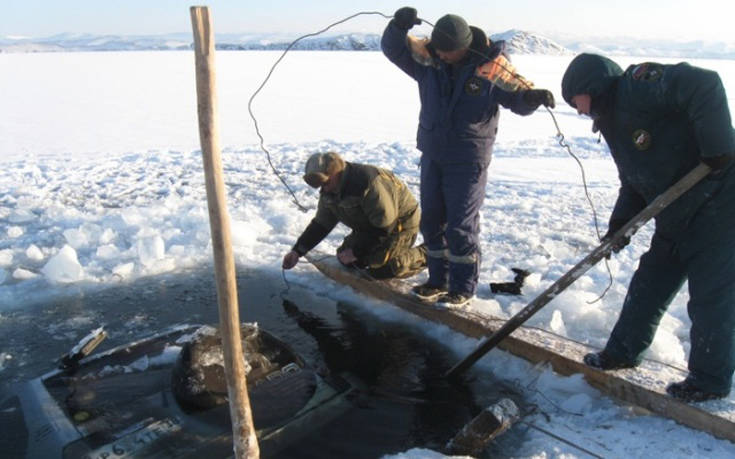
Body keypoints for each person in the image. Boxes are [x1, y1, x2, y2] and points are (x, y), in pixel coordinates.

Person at [561, 53, 735, 402]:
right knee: (649, 283)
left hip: (720, 203)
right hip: (676, 210)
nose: (578, 110)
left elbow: (705, 83)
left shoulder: (636, 88)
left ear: (591, 87)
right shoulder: (611, 121)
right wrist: (620, 226)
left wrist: (718, 146)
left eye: (576, 100)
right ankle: (622, 352)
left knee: (711, 297)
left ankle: (709, 380)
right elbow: (635, 180)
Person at [381, 7, 555, 307]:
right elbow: (394, 49)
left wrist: (532, 98)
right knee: (432, 221)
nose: (444, 56)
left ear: (463, 46)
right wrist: (397, 26)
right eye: (441, 51)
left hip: (468, 157)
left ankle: (463, 287)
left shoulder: (492, 66)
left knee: (460, 224)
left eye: (449, 52)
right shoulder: (428, 59)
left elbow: (517, 97)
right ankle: (438, 280)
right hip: (433, 152)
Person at [282, 151, 427, 279]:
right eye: (320, 186)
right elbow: (321, 224)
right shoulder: (329, 191)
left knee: (382, 268)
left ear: (335, 173)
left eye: (325, 183)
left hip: (398, 225)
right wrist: (297, 251)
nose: (323, 189)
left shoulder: (367, 183)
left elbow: (385, 227)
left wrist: (358, 252)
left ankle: (427, 253)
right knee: (348, 259)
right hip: (371, 227)